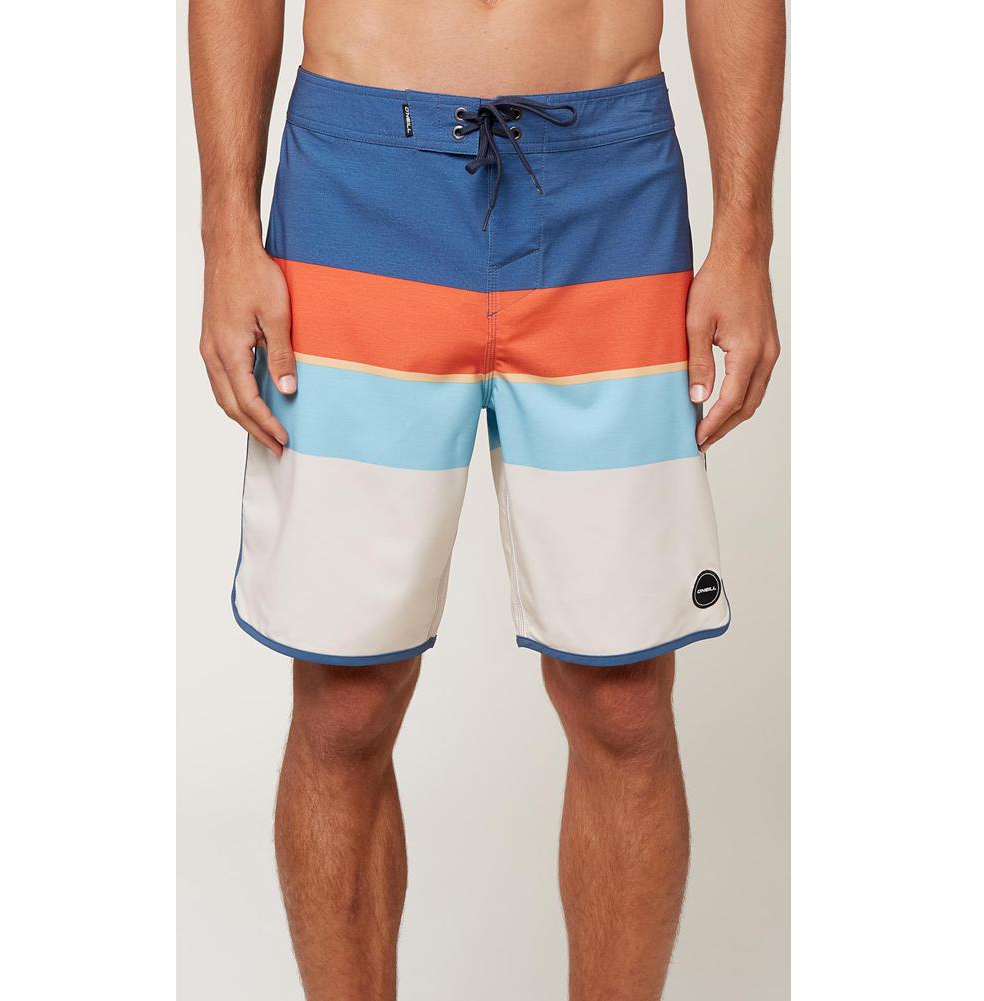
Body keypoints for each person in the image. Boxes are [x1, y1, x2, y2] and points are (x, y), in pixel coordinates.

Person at [189, 0, 784, 995]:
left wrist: (745, 237)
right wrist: (225, 230)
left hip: (609, 187)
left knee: (623, 697)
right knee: (344, 698)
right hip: (355, 184)